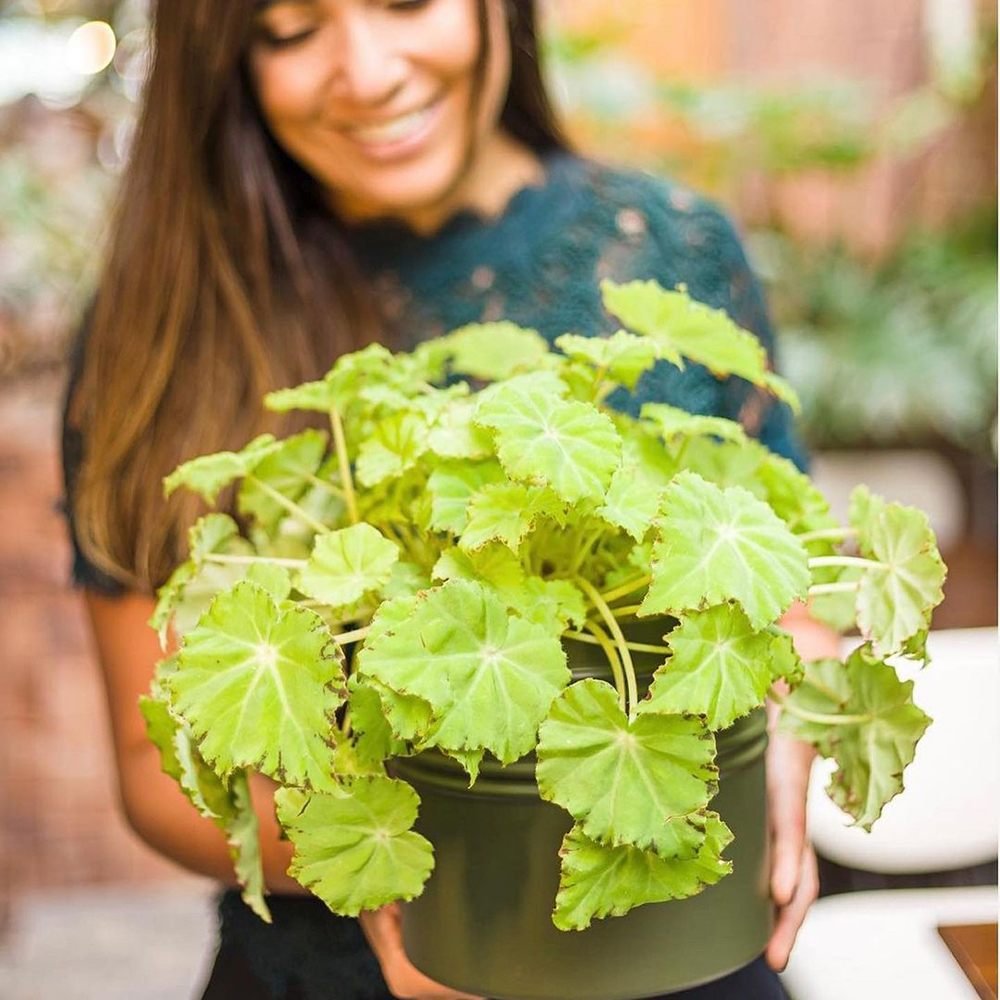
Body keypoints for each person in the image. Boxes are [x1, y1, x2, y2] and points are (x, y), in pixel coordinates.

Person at [61, 1, 835, 997]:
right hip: (329, 965)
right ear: (225, 63)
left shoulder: (670, 250)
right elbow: (149, 762)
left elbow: (791, 606)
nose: (370, 72)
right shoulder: (161, 320)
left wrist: (777, 740)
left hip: (668, 939)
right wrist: (403, 869)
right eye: (292, 30)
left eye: (404, 1)